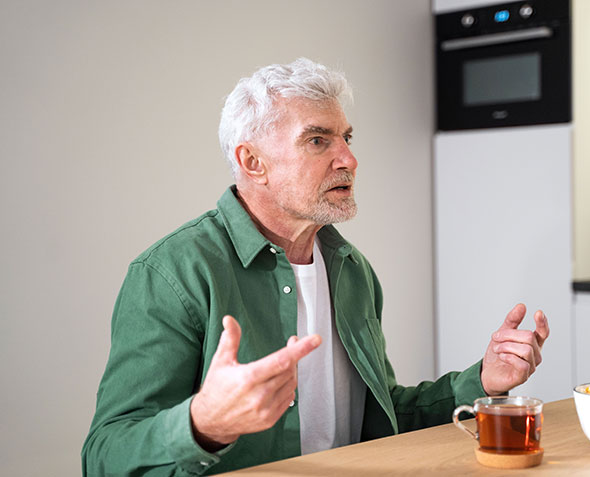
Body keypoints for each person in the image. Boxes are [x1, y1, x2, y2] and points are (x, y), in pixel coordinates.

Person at [82, 58, 549, 476]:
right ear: (253, 162)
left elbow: (382, 416)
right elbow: (104, 457)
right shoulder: (172, 273)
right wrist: (201, 425)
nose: (348, 159)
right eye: (317, 140)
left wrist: (483, 380)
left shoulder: (352, 270)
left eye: (345, 138)